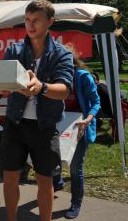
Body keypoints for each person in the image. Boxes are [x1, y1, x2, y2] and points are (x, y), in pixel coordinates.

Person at [0, 0, 74, 221]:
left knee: (44, 179)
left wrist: (42, 87)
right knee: (10, 177)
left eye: (36, 20)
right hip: (15, 123)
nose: (30, 25)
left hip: (44, 127)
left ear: (50, 21)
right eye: (27, 20)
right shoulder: (14, 50)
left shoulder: (62, 54)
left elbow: (65, 90)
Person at [53, 47, 100, 219]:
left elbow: (96, 102)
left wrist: (87, 120)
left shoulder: (82, 77)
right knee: (53, 159)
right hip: (60, 125)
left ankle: (76, 203)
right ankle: (57, 183)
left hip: (80, 127)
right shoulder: (56, 78)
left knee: (75, 168)